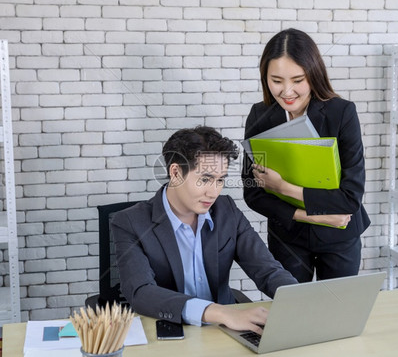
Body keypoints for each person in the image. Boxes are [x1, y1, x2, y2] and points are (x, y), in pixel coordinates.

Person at [112, 126, 297, 334]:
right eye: (205, 179)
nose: (214, 192)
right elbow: (141, 292)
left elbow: (267, 269)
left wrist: (299, 299)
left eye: (220, 180)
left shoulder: (227, 210)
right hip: (172, 330)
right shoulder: (130, 222)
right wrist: (221, 313)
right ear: (175, 173)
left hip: (225, 330)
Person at [242, 28, 370, 283]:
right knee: (290, 313)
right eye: (276, 81)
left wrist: (282, 187)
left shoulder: (342, 113)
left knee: (337, 312)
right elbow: (253, 193)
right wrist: (311, 214)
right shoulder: (260, 116)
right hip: (288, 237)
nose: (287, 91)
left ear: (314, 75)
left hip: (340, 237)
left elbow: (349, 199)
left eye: (297, 80)